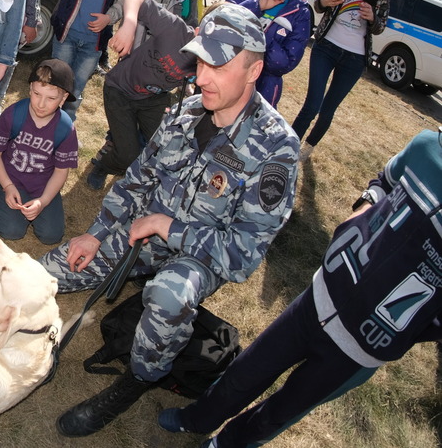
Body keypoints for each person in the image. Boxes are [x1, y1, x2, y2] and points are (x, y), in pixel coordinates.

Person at [40, 3, 299, 438]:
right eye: (200, 62)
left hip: (198, 257)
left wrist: (169, 227)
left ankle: (137, 380)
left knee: (169, 295)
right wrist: (97, 233)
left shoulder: (277, 150)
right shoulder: (185, 112)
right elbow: (138, 179)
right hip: (142, 233)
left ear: (253, 71)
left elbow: (241, 256)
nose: (200, 78)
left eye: (217, 65)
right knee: (50, 270)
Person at [158, 128, 442, 448]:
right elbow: (385, 181)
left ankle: (226, 443)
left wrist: (407, 326)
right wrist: (359, 216)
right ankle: (197, 418)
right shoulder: (426, 145)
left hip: (363, 348)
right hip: (320, 296)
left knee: (280, 412)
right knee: (248, 371)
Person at [291, 0, 390, 162]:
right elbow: (317, 5)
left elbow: (381, 25)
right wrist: (325, 0)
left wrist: (372, 17)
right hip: (326, 46)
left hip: (355, 58)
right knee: (312, 104)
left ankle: (308, 148)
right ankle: (287, 147)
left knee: (327, 109)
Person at [84, 0, 199, 191]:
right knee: (128, 154)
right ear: (198, 31)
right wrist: (129, 24)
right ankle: (103, 165)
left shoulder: (211, 64)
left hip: (153, 99)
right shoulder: (175, 29)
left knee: (164, 147)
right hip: (120, 89)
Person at [0, 59, 78, 245]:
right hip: (10, 179)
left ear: (64, 98)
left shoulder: (65, 128)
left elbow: (61, 172)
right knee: (11, 232)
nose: (41, 104)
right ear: (30, 89)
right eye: (37, 94)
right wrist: (7, 186)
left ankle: (36, 205)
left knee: (51, 236)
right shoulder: (14, 114)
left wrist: (42, 202)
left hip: (42, 186)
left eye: (51, 98)